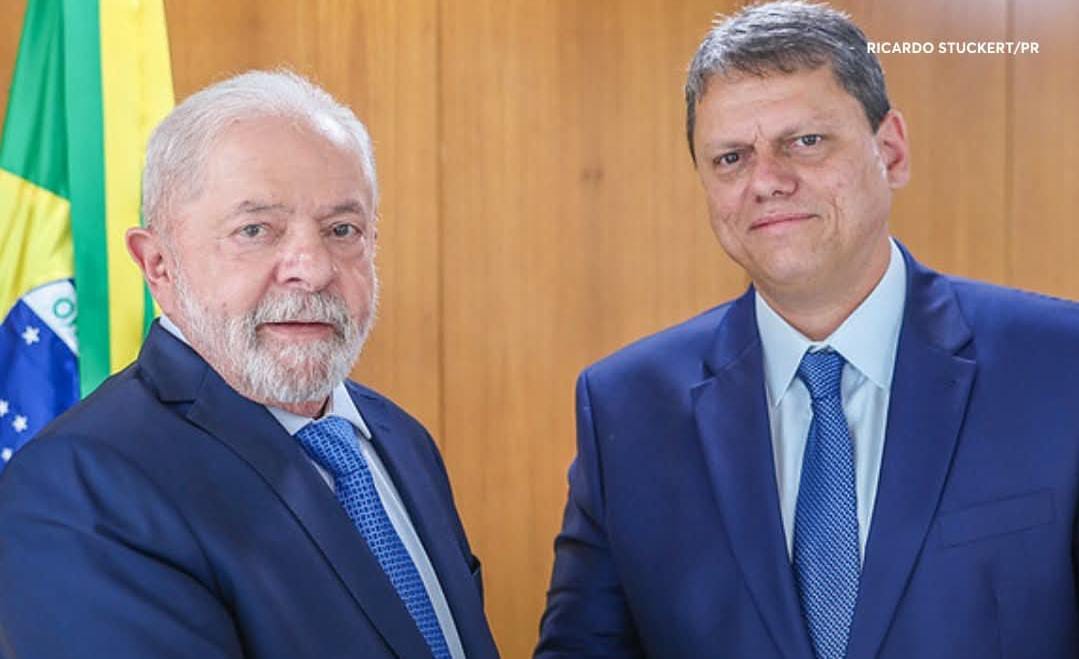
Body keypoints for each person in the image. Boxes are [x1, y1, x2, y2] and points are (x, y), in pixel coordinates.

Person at [536, 2, 1079, 658]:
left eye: (806, 141)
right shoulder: (626, 409)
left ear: (890, 150)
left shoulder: (1061, 366)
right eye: (731, 157)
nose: (766, 181)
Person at [0, 71, 498, 659]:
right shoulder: (79, 485)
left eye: (342, 230)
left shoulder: (401, 439)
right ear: (158, 264)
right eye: (255, 230)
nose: (312, 269)